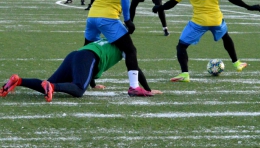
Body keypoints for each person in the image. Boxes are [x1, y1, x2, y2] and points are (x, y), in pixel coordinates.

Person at [152, 0, 260, 82]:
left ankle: (185, 74)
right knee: (226, 37)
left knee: (181, 46)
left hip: (199, 22)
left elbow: (172, 3)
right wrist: (248, 6)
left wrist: (158, 7)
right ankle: (236, 63)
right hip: (216, 20)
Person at [84, 0, 153, 96]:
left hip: (92, 16)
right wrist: (128, 20)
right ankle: (134, 87)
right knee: (130, 50)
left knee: (88, 50)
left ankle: (90, 83)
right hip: (108, 18)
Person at [0, 39, 162, 102]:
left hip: (75, 55)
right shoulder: (126, 45)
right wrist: (147, 89)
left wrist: (93, 84)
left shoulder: (107, 38)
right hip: (87, 58)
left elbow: (91, 64)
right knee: (77, 90)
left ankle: (18, 81)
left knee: (46, 84)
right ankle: (53, 87)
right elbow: (135, 69)